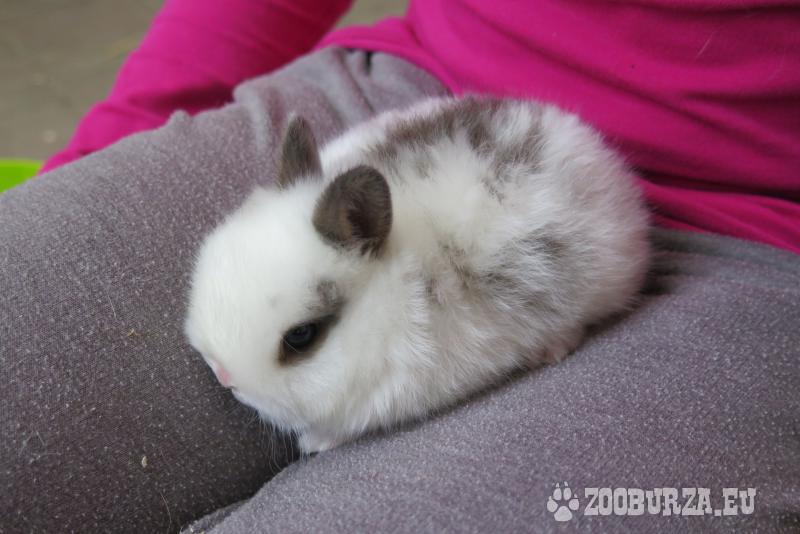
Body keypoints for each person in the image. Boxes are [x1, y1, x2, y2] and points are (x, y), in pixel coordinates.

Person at [3, 1, 798, 532]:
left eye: (304, 336)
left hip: (746, 220)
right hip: (413, 81)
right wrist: (88, 160)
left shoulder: (426, 303)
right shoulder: (326, 201)